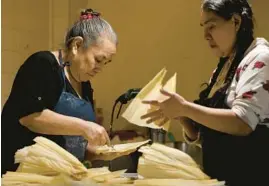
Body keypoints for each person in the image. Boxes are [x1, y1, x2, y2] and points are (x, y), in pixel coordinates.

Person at [141, 0, 269, 185]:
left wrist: (186, 108)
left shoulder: (259, 58)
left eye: (211, 26)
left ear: (236, 21)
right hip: (220, 178)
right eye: (203, 27)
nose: (205, 35)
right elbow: (209, 137)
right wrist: (182, 116)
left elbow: (242, 123)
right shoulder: (224, 68)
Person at [1, 9, 118, 174]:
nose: (100, 68)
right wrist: (85, 127)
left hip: (63, 176)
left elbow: (71, 143)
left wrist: (101, 153)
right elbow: (29, 116)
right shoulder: (43, 65)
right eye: (98, 59)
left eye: (106, 63)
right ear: (76, 45)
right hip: (25, 175)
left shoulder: (84, 85)